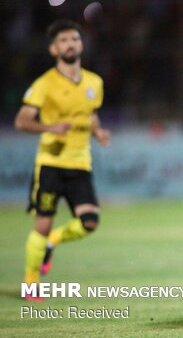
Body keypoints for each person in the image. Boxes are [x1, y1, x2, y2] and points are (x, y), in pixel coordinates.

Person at [15, 20, 110, 301]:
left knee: (89, 223)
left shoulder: (95, 82)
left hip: (80, 163)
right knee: (42, 225)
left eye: (75, 39)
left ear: (81, 44)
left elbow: (90, 113)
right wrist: (49, 127)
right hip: (51, 163)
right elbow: (22, 121)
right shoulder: (44, 84)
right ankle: (31, 284)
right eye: (64, 41)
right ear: (54, 49)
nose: (70, 44)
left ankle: (53, 242)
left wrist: (98, 131)